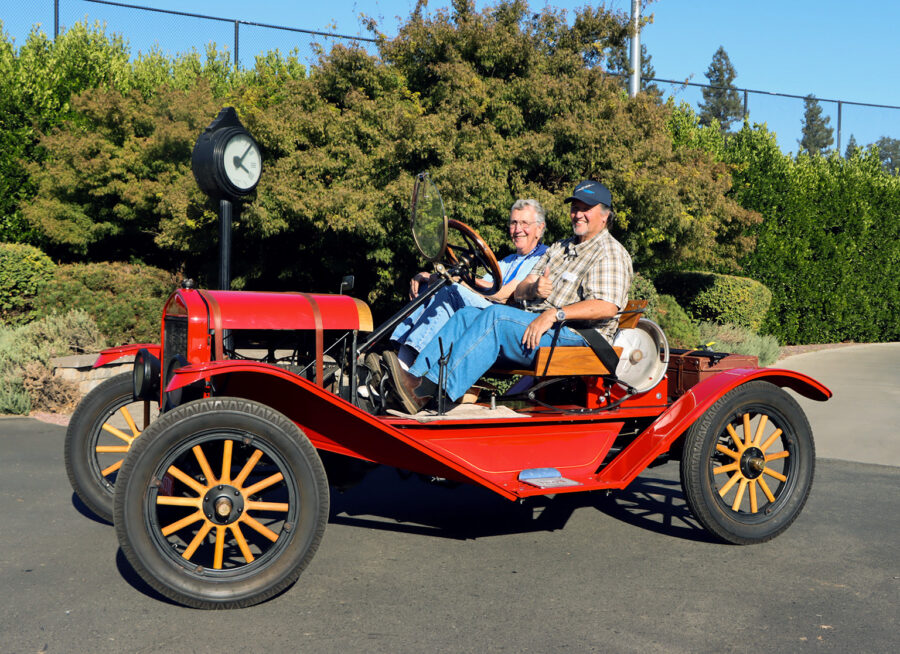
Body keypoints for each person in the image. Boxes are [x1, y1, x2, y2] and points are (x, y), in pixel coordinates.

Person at [384, 180, 633, 414]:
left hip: (577, 337)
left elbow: (607, 306)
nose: (578, 214)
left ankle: (433, 393)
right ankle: (411, 381)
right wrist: (533, 289)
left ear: (605, 215)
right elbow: (521, 288)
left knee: (496, 317)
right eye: (575, 208)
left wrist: (553, 314)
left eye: (586, 209)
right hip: (537, 326)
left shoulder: (610, 253)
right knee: (466, 316)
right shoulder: (561, 248)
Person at [387, 198, 548, 368]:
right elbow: (479, 286)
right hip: (486, 312)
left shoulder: (542, 258)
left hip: (506, 322)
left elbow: (502, 294)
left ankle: (404, 366)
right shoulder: (508, 261)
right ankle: (398, 358)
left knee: (451, 290)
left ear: (539, 228)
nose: (517, 229)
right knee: (433, 287)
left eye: (524, 223)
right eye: (514, 223)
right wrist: (434, 277)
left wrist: (457, 279)